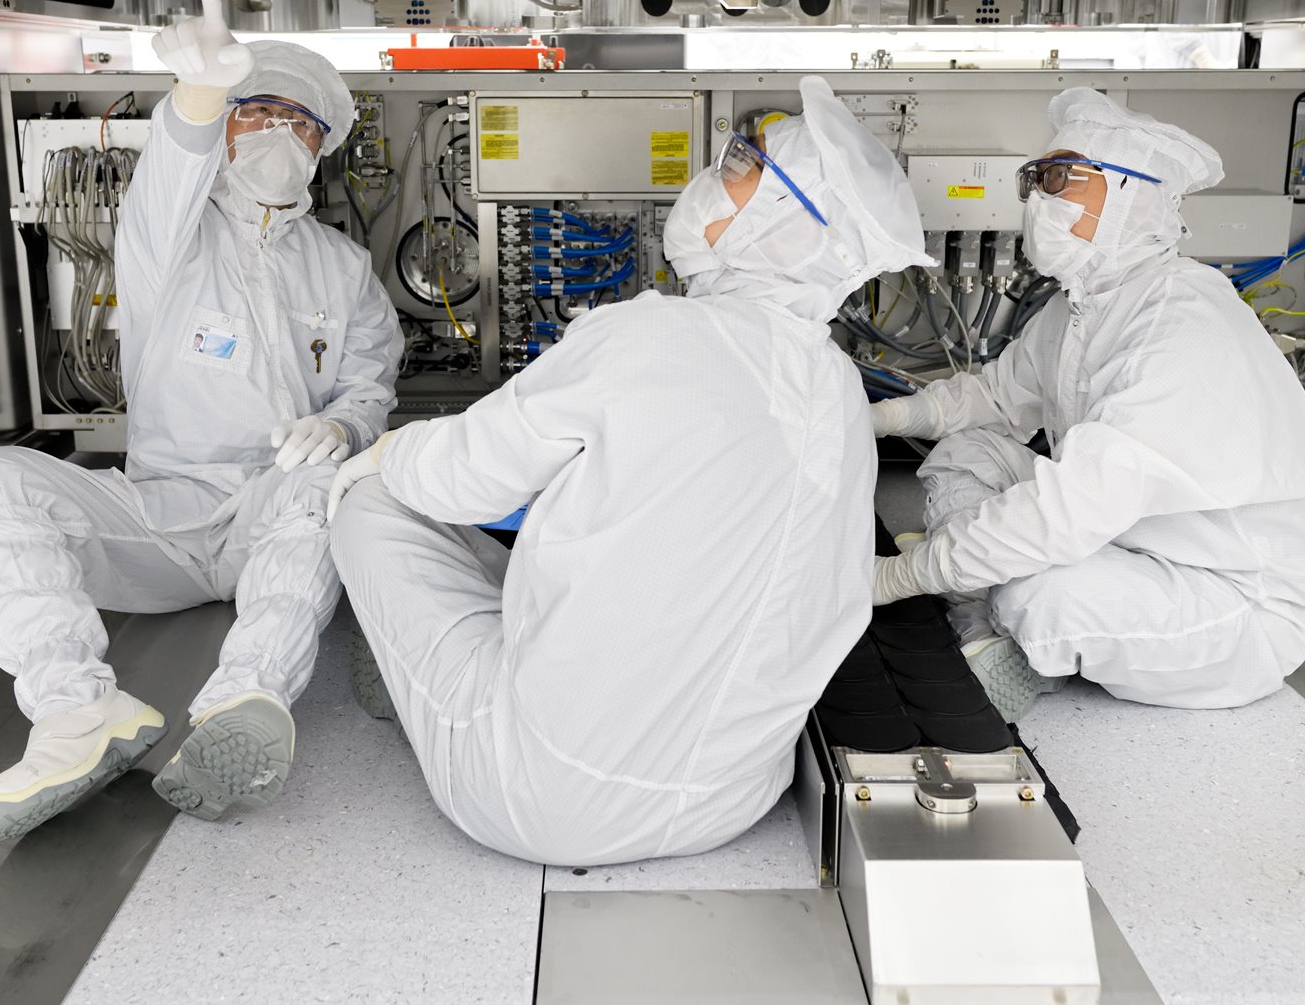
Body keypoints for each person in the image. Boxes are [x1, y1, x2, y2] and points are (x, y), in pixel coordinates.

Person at [324, 76, 933, 866]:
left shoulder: (649, 333)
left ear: (787, 220)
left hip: (542, 800)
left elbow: (458, 481)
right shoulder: (840, 389)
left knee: (371, 503)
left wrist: (381, 451)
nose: (717, 168)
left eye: (743, 161)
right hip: (733, 798)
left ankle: (413, 674)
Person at [0, 0, 400, 844]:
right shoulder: (169, 238)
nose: (281, 133)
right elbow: (171, 172)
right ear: (226, 125)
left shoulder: (341, 268)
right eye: (258, 112)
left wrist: (344, 427)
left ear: (323, 151)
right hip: (160, 513)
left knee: (325, 486)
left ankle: (244, 698)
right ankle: (77, 713)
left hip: (271, 515)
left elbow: (370, 383)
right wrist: (198, 94)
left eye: (303, 124)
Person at [869, 88, 1305, 719]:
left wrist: (897, 579)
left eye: (1060, 178)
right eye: (1033, 180)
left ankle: (995, 618)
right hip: (1129, 537)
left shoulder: (1179, 322)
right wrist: (880, 418)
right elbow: (996, 397)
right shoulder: (1083, 304)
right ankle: (978, 627)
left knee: (1037, 591)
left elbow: (1070, 507)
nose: (1038, 199)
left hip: (1229, 595)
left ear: (1131, 194)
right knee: (969, 453)